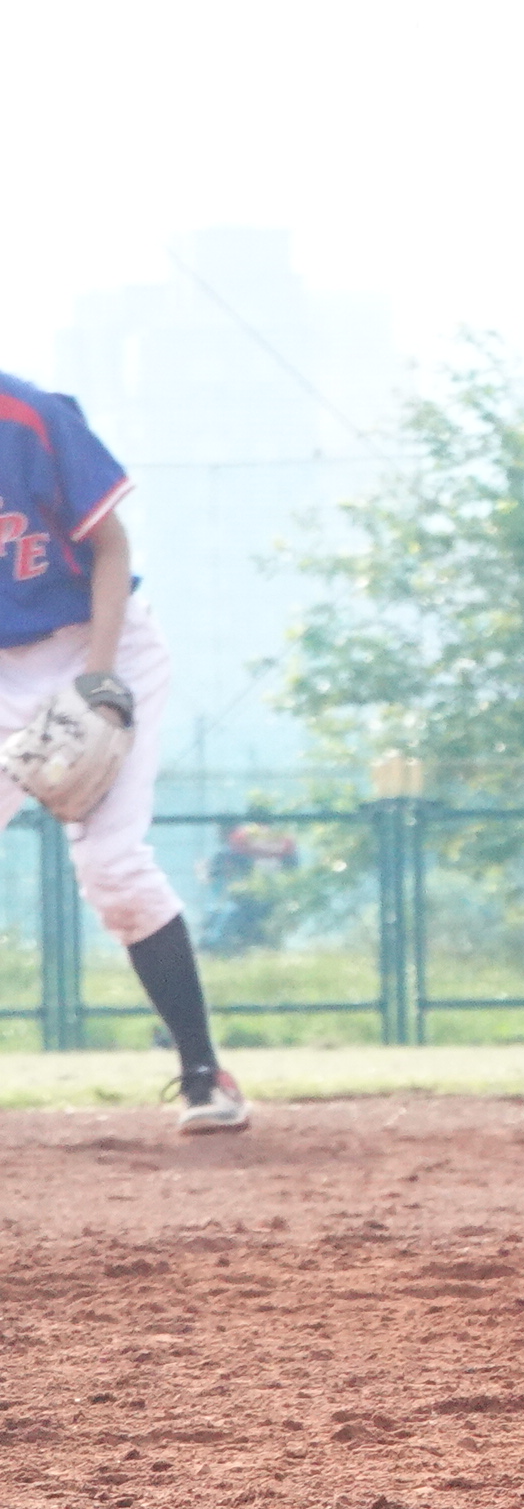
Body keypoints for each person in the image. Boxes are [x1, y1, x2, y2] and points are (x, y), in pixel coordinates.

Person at [0, 373, 248, 1133]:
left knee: (112, 865)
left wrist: (99, 680)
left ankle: (203, 1074)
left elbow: (110, 544)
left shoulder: (28, 415)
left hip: (99, 641)